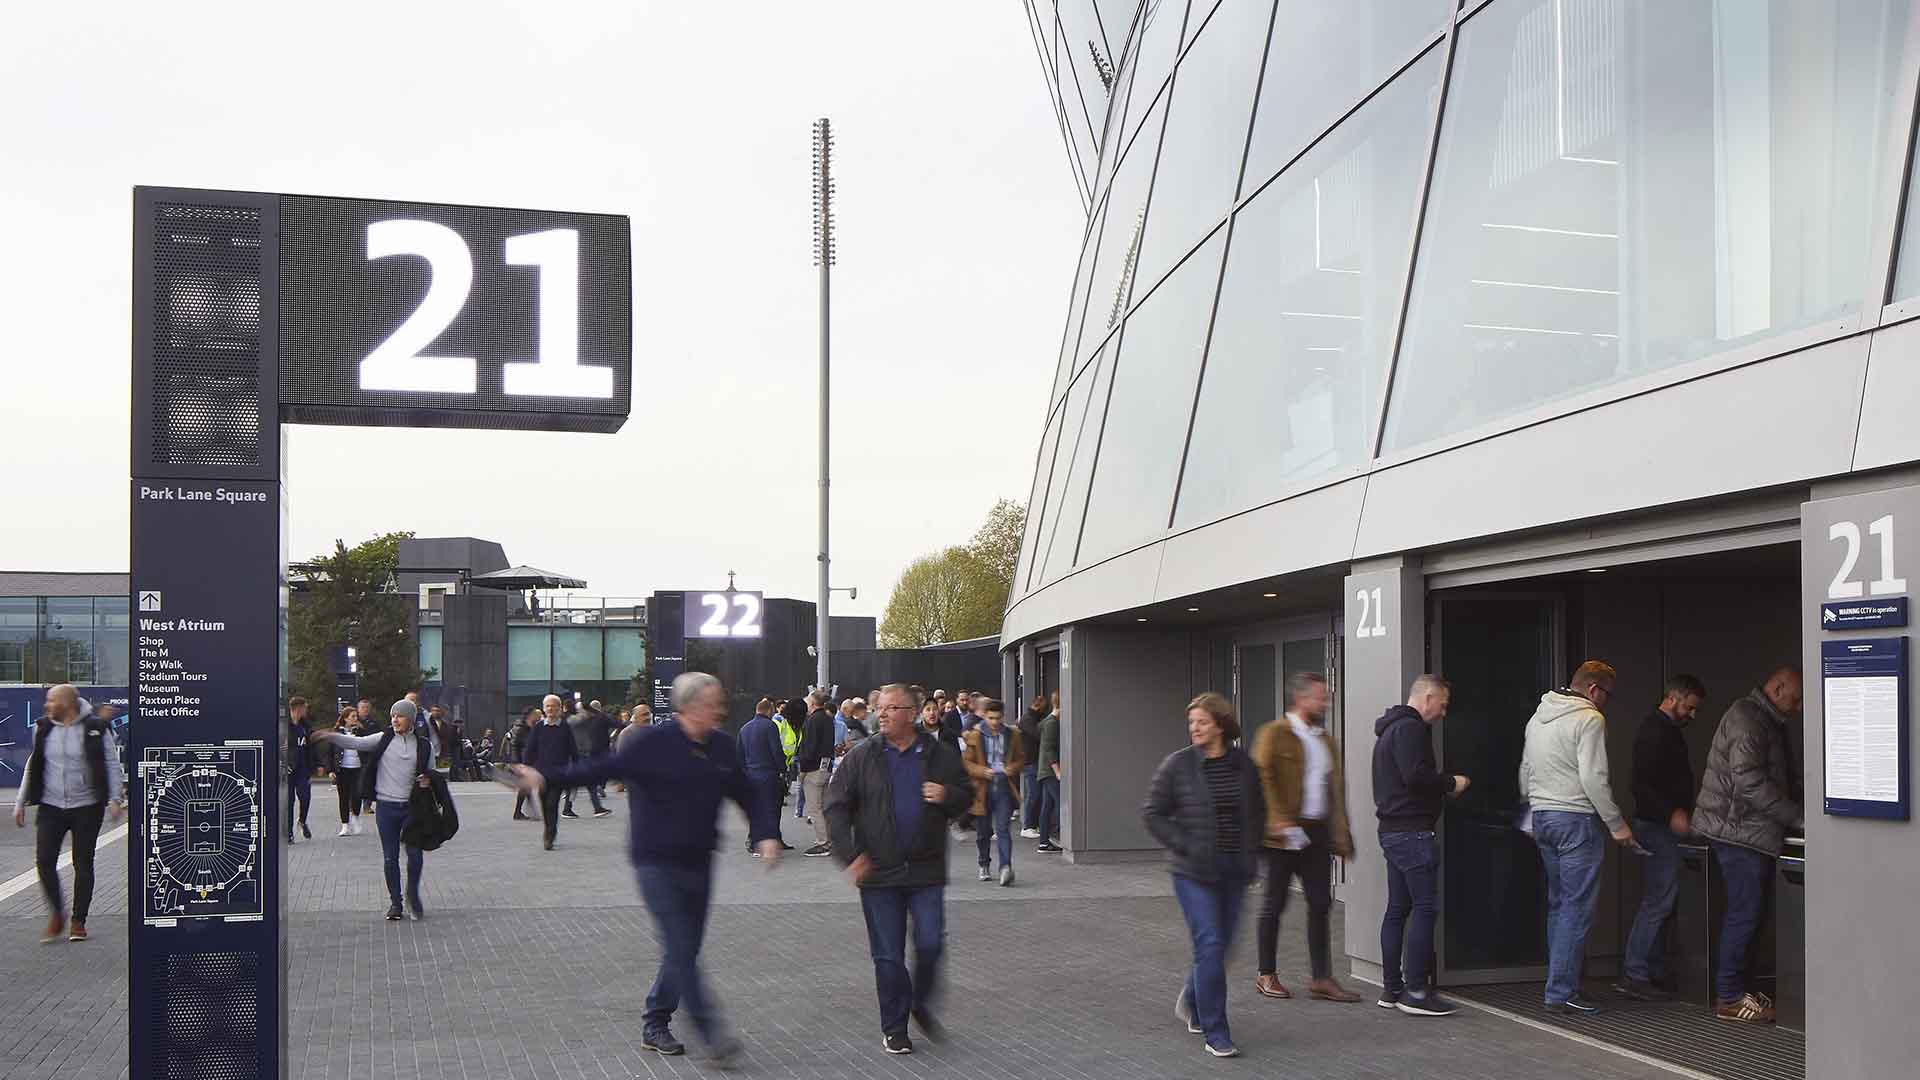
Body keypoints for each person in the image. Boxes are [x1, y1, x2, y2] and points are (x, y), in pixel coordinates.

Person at [510, 672, 780, 1064]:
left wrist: (766, 833)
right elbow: (598, 768)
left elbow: (746, 792)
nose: (720, 709)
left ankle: (655, 1021)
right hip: (655, 861)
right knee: (681, 947)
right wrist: (543, 776)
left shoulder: (721, 746)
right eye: (712, 703)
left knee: (683, 949)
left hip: (699, 862)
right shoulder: (654, 743)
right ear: (688, 707)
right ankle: (713, 1035)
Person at [824, 683, 974, 1055]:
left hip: (925, 871)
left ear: (912, 712)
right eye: (881, 708)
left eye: (892, 708)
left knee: (930, 944)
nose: (884, 714)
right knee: (888, 956)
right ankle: (895, 1027)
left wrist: (948, 796)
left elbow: (966, 797)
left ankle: (919, 1002)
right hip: (878, 874)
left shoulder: (939, 754)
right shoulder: (863, 756)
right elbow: (836, 806)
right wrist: (850, 855)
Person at [1142, 692, 1264, 1059]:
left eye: (1202, 722)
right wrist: (1185, 844)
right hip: (1192, 872)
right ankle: (1216, 1031)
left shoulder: (1244, 765)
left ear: (1221, 725)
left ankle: (1194, 999)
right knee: (1209, 945)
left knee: (1222, 949)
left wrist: (1252, 852)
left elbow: (1258, 812)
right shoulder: (1177, 765)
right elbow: (1152, 813)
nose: (1194, 728)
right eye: (1191, 722)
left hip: (1233, 870)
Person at [1521, 660, 1636, 1015]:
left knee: (1559, 904)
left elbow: (1526, 769)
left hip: (1542, 817)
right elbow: (1593, 778)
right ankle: (1561, 991)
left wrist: (1530, 814)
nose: (1606, 703)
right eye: (1608, 696)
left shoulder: (1538, 718)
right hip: (1575, 821)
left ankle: (1558, 985)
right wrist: (1617, 825)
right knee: (1576, 907)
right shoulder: (1589, 719)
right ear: (1593, 689)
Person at [1693, 667, 1803, 1024]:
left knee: (1750, 915)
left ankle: (1741, 990)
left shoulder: (1763, 719)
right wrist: (1797, 817)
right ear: (1778, 687)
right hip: (1739, 833)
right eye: (1796, 698)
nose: (1799, 707)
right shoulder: (1748, 718)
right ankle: (1729, 997)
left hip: (1745, 832)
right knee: (1744, 914)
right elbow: (1749, 781)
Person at [1250, 672, 1360, 1004]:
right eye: (1320, 697)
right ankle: (1266, 974)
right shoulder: (1274, 733)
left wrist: (1341, 836)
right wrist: (1276, 821)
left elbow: (1335, 792)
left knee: (1321, 903)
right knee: (1274, 903)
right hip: (1281, 835)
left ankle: (1321, 978)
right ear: (1300, 699)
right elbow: (1260, 778)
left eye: (1326, 697)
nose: (1325, 702)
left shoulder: (1326, 740)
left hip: (1316, 833)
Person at [1373, 674, 1470, 1017]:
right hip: (1412, 832)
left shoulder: (1389, 730)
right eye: (1442, 705)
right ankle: (1416, 991)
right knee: (1425, 907)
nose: (1443, 713)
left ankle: (1392, 987)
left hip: (1392, 830)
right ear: (1428, 697)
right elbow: (1416, 777)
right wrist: (1451, 783)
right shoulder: (1411, 730)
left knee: (1398, 908)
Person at [1616, 673, 1706, 1001]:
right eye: (1690, 707)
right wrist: (1672, 814)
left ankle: (1650, 969)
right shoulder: (1655, 732)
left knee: (1662, 899)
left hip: (1659, 824)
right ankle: (1636, 972)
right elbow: (1641, 785)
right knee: (1659, 900)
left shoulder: (1659, 729)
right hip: (1658, 827)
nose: (1692, 715)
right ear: (1673, 697)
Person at [12, 684, 125, 943]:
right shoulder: (43, 727)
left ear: (67, 704)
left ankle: (78, 921)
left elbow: (110, 762)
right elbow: (33, 764)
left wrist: (115, 798)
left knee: (82, 863)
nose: (47, 705)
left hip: (87, 806)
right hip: (51, 806)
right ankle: (57, 914)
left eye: (52, 701)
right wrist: (20, 802)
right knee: (44, 861)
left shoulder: (94, 727)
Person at [312, 699, 438, 921]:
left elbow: (433, 774)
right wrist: (329, 736)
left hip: (412, 808)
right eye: (392, 716)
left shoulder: (424, 745)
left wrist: (428, 780)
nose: (395, 720)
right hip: (387, 808)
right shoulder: (383, 739)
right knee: (390, 857)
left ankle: (412, 896)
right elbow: (357, 743)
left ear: (410, 719)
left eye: (399, 716)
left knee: (415, 855)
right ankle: (396, 903)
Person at [962, 698, 1025, 886]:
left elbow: (1022, 758)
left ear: (1003, 716)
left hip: (1003, 785)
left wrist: (1012, 768)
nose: (995, 722)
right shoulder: (975, 735)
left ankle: (1005, 867)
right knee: (983, 831)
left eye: (998, 718)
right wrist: (983, 771)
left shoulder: (1013, 735)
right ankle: (984, 863)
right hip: (982, 787)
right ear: (985, 716)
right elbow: (966, 762)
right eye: (990, 718)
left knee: (1003, 829)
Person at [524, 695, 578, 850]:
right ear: (544, 709)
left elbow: (573, 749)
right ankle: (548, 828)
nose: (551, 709)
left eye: (554, 706)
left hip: (559, 773)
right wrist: (526, 767)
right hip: (541, 775)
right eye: (548, 706)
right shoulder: (539, 727)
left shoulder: (565, 727)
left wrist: (576, 767)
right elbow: (530, 749)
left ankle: (550, 835)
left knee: (552, 803)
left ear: (559, 708)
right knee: (544, 804)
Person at [740, 700, 790, 855]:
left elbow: (739, 754)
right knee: (772, 809)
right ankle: (771, 841)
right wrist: (783, 769)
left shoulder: (744, 728)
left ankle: (756, 841)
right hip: (768, 775)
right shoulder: (770, 726)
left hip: (751, 775)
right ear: (769, 711)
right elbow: (776, 751)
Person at [798, 691, 837, 856]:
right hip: (825, 766)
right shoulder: (828, 719)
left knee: (814, 808)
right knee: (823, 806)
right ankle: (830, 840)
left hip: (813, 768)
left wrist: (803, 769)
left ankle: (823, 843)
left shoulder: (813, 720)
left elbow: (810, 747)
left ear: (813, 703)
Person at [570, 700, 617, 817]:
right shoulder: (577, 720)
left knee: (587, 783)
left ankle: (596, 808)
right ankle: (595, 808)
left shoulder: (584, 719)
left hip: (584, 754)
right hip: (581, 754)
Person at [329, 705, 367, 835]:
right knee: (343, 797)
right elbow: (330, 752)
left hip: (358, 768)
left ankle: (355, 817)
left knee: (357, 794)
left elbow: (367, 747)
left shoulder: (361, 731)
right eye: (352, 717)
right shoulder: (336, 732)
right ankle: (344, 825)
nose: (355, 719)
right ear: (345, 718)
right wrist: (331, 770)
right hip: (342, 768)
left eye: (356, 716)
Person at [285, 697, 316, 844]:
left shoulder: (306, 726)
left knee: (305, 797)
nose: (306, 710)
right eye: (305, 708)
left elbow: (311, 746)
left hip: (303, 769)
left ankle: (302, 821)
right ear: (298, 708)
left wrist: (317, 765)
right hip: (288, 770)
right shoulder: (283, 725)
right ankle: (288, 833)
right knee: (288, 802)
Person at [1035, 691, 1063, 853]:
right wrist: (1057, 770)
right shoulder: (1052, 723)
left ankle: (1044, 842)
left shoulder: (1047, 722)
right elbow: (1049, 748)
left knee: (1047, 805)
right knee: (1060, 802)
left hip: (1045, 771)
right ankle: (1062, 836)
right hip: (1050, 772)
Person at [1018, 693, 1048, 837]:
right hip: (1031, 762)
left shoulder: (1030, 719)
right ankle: (1028, 826)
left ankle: (1031, 825)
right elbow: (1038, 735)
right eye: (1043, 709)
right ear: (1037, 706)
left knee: (1035, 794)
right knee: (1034, 794)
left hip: (1032, 761)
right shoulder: (1028, 720)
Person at [506, 707, 539, 821]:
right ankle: (519, 812)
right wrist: (517, 763)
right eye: (534, 714)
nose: (537, 716)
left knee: (526, 788)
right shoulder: (522, 729)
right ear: (529, 715)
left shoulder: (531, 728)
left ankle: (522, 812)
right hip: (521, 762)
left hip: (528, 761)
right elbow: (515, 746)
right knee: (526, 787)